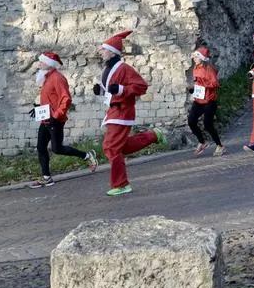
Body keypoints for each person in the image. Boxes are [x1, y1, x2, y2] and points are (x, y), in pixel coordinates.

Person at [94, 30, 165, 197]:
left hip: (123, 112)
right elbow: (111, 91)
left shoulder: (124, 68)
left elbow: (141, 87)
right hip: (113, 111)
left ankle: (121, 184)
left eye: (103, 49)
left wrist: (121, 89)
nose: (100, 51)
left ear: (112, 51)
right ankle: (153, 135)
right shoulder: (109, 69)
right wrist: (100, 90)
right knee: (119, 147)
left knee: (111, 147)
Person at [29, 52, 97, 188]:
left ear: (49, 63)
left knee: (57, 148)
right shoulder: (46, 78)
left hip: (55, 120)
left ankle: (87, 155)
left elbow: (66, 99)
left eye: (42, 62)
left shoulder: (57, 78)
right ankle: (46, 177)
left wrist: (56, 116)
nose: (39, 64)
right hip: (46, 119)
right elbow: (51, 98)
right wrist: (39, 108)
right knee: (40, 147)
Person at [186, 47, 224, 157]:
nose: (194, 58)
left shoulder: (209, 69)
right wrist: (192, 89)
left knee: (208, 125)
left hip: (209, 100)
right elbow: (197, 84)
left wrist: (203, 85)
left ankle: (220, 146)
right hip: (198, 100)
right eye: (194, 56)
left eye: (196, 56)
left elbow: (215, 84)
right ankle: (202, 142)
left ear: (202, 58)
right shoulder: (196, 68)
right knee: (191, 121)